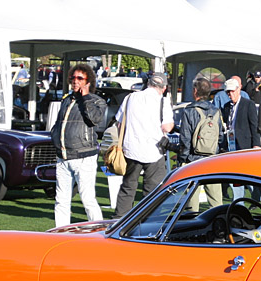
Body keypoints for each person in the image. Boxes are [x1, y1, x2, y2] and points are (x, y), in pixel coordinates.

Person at [50, 63, 107, 226]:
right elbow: (59, 123)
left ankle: (99, 229)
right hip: (63, 156)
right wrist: (55, 137)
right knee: (61, 200)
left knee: (87, 199)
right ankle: (60, 233)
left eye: (80, 78)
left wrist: (86, 98)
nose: (75, 81)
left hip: (84, 157)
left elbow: (95, 119)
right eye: (73, 78)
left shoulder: (97, 101)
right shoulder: (67, 100)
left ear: (88, 81)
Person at [114, 71, 174, 217]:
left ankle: (119, 219)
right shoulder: (163, 102)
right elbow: (167, 127)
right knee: (152, 189)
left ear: (148, 83)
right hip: (154, 150)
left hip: (131, 148)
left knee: (128, 186)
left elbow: (119, 123)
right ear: (164, 88)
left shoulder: (130, 97)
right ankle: (147, 219)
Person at [178, 79, 224, 211]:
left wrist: (183, 159)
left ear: (195, 91)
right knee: (216, 201)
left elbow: (185, 138)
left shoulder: (189, 111)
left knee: (191, 203)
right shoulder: (216, 111)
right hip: (212, 160)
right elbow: (220, 136)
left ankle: (192, 229)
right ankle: (221, 226)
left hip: (192, 160)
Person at [223, 79, 259, 151]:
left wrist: (256, 144)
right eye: (228, 92)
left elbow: (254, 125)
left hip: (244, 144)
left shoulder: (248, 104)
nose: (231, 94)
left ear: (238, 89)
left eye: (233, 91)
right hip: (230, 143)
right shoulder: (226, 106)